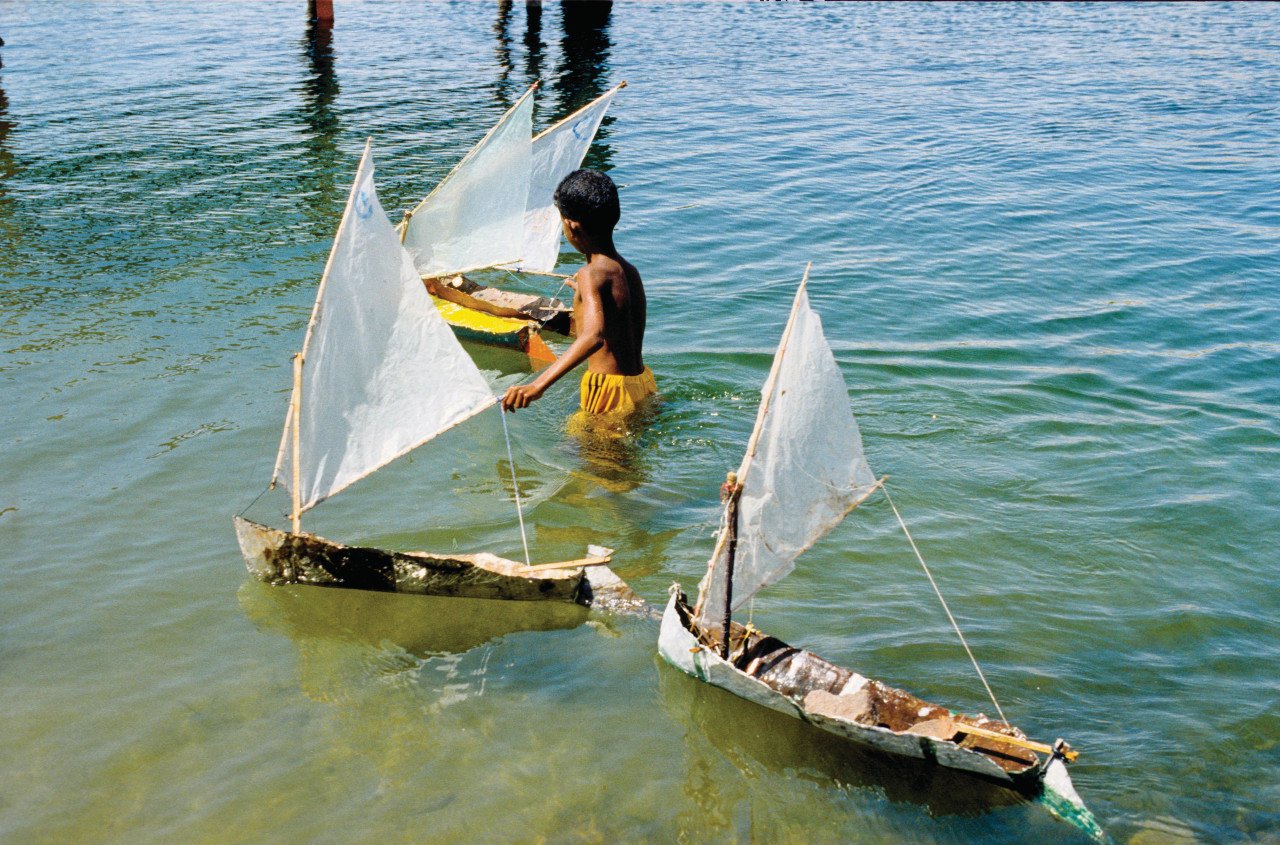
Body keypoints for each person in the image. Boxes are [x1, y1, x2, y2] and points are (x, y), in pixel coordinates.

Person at [501, 168, 654, 416]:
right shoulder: (628, 270)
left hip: (607, 390)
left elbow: (594, 337)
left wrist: (537, 385)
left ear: (572, 226)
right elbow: (619, 315)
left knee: (588, 454)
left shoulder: (590, 274)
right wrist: (584, 294)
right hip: (641, 383)